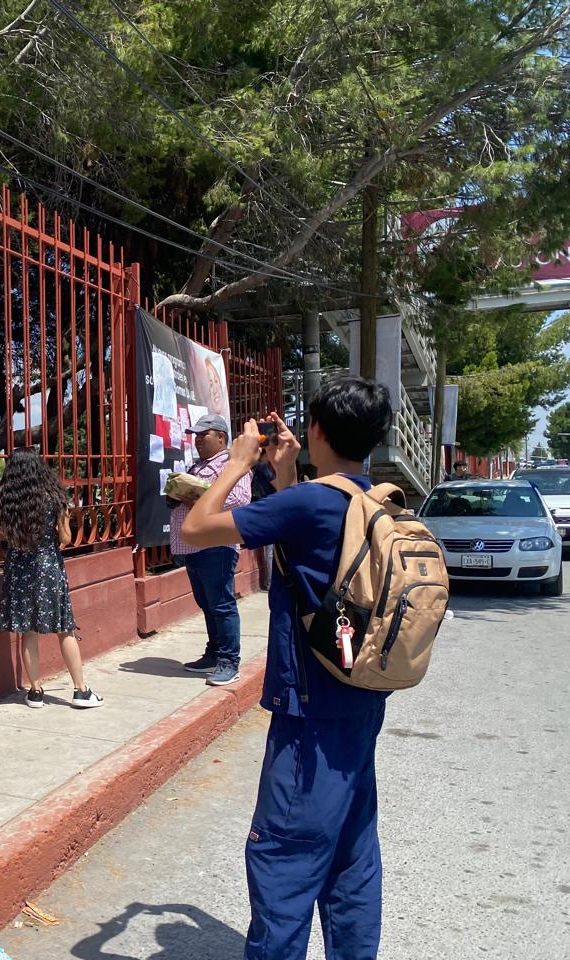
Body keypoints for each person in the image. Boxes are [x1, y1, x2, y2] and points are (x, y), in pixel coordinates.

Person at [180, 378, 395, 960]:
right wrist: (290, 469)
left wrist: (239, 463)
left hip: (308, 719)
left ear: (318, 430)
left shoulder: (307, 504)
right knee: (351, 856)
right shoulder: (368, 499)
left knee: (285, 858)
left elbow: (196, 527)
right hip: (359, 703)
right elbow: (313, 547)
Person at [0, 446, 104, 710]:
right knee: (64, 628)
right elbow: (66, 538)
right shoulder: (54, 498)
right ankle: (81, 690)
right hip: (47, 566)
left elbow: (1, 536)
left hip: (18, 568)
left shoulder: (4, 500)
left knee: (27, 631)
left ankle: (35, 692)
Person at [168, 413, 252, 687]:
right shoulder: (196, 466)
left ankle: (230, 662)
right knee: (207, 603)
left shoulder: (232, 464)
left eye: (204, 435)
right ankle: (214, 653)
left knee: (221, 604)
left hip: (216, 544)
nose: (198, 440)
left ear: (221, 437)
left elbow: (240, 498)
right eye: (195, 435)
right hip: (193, 545)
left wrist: (201, 496)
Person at [250, 447, 277, 590]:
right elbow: (278, 485)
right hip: (267, 509)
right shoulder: (263, 467)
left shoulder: (254, 468)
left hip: (257, 507)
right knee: (270, 550)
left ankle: (268, 581)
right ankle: (270, 582)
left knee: (268, 550)